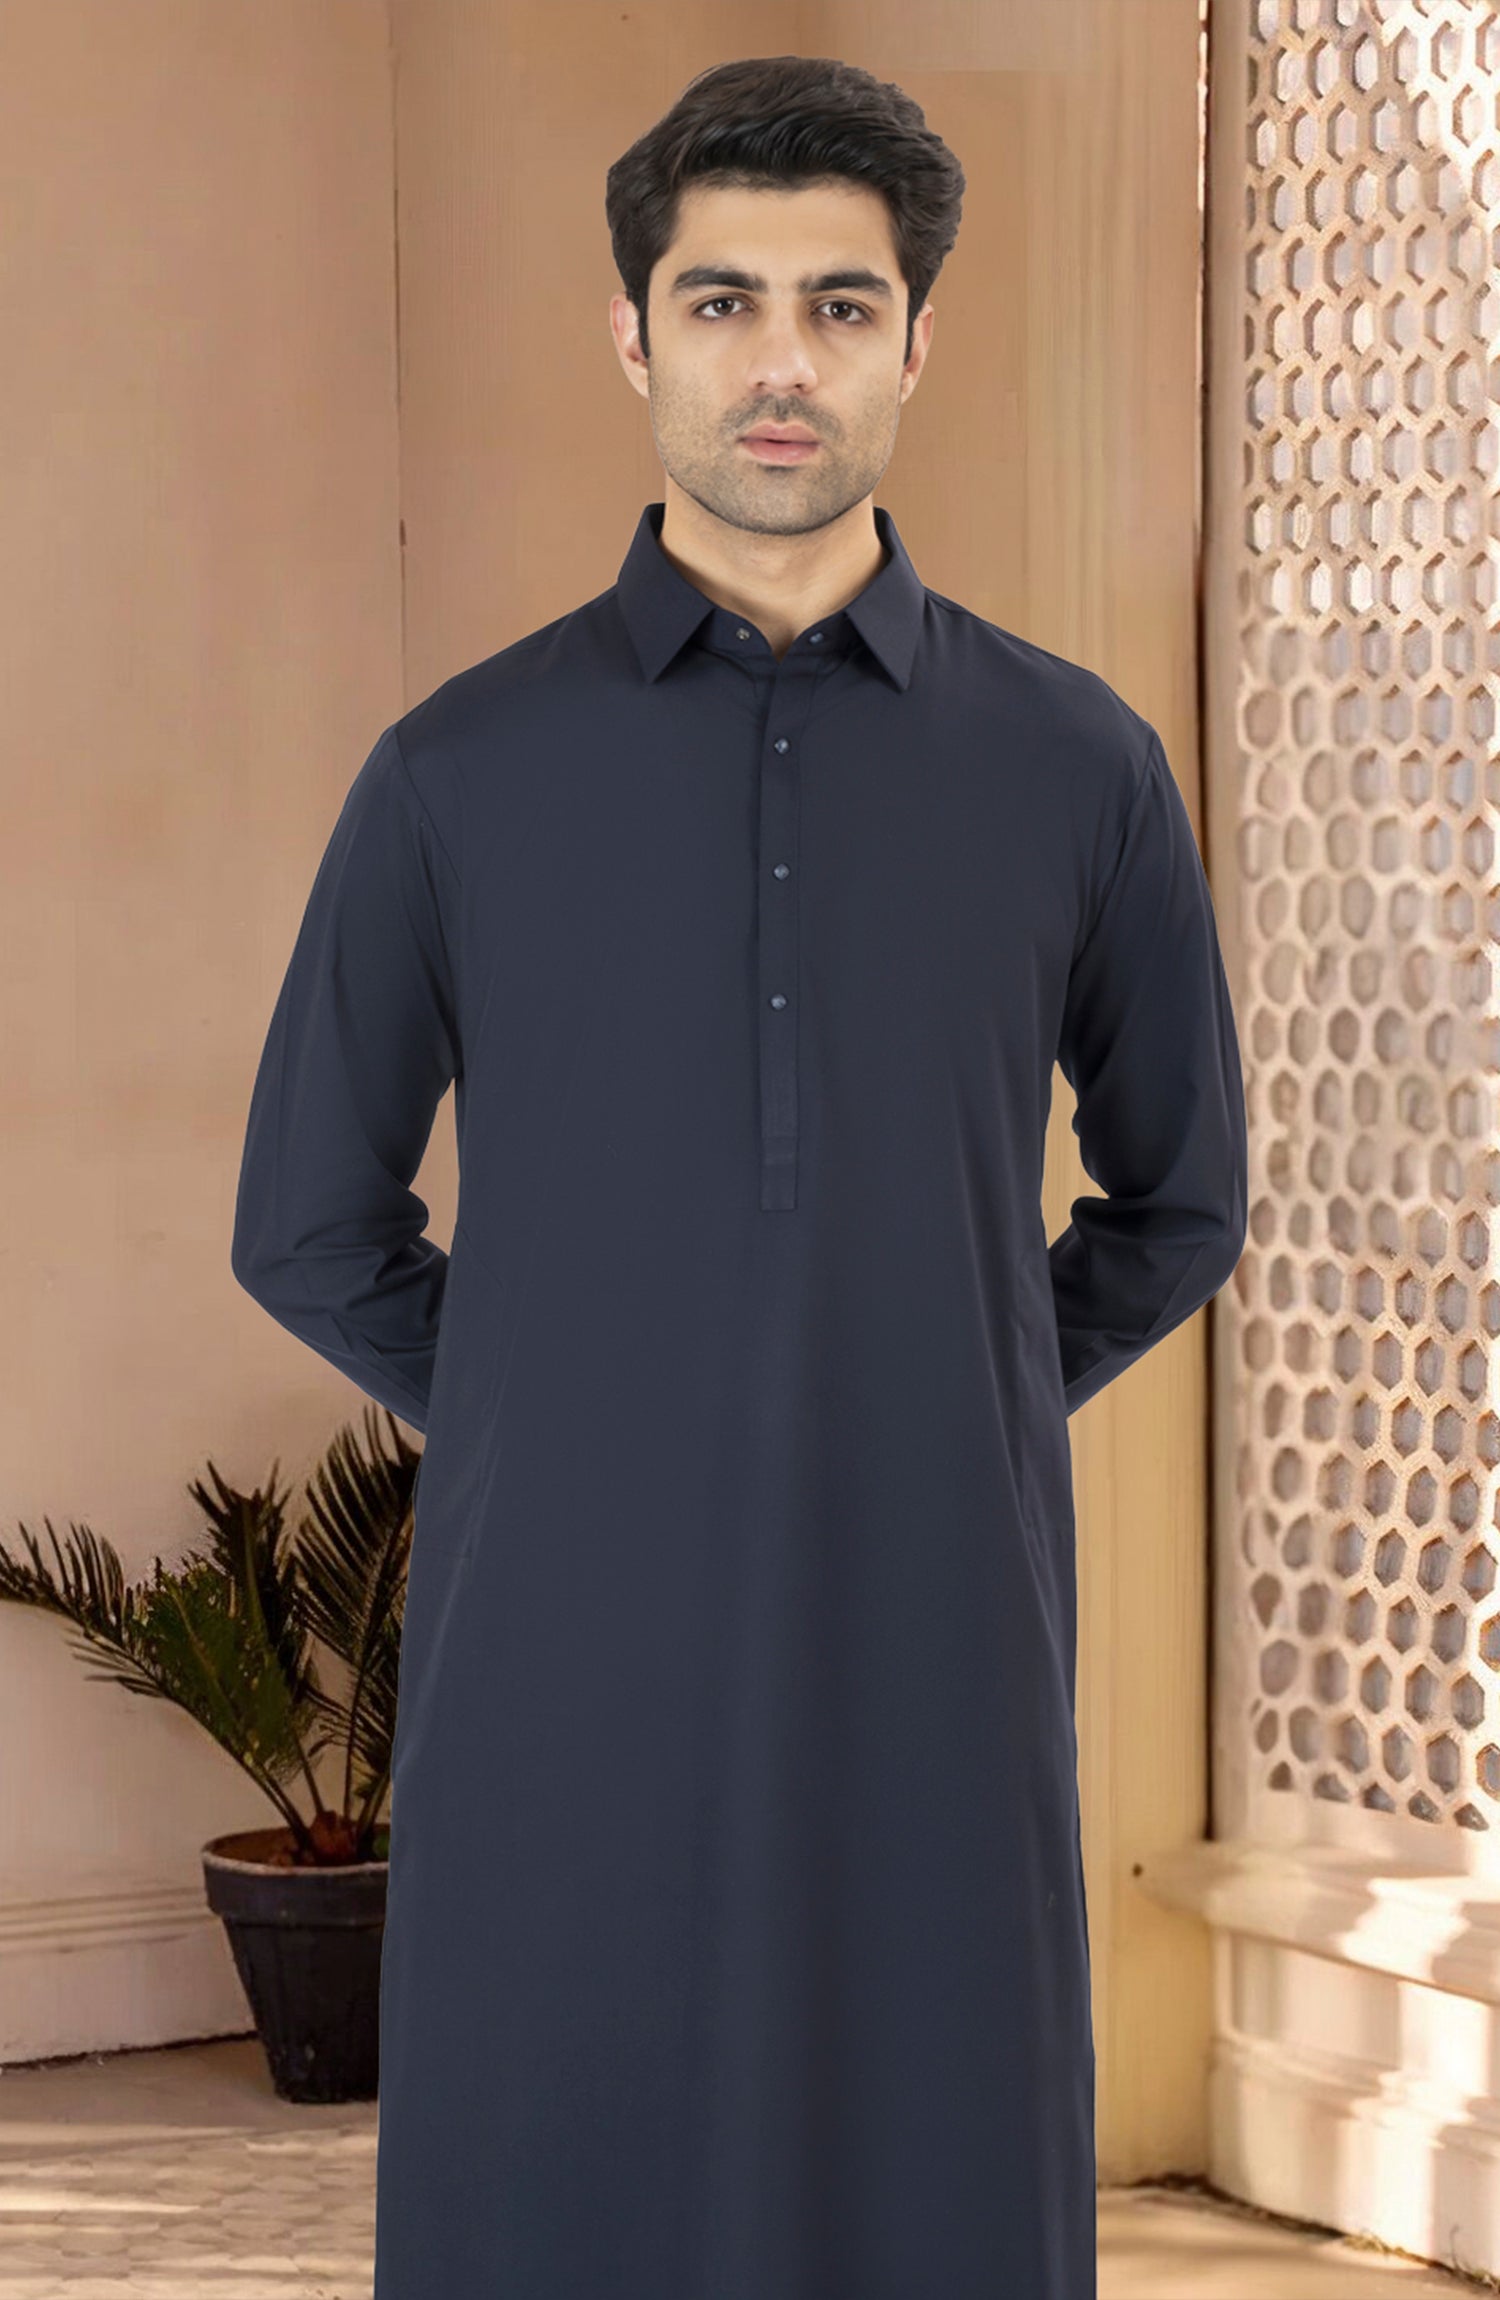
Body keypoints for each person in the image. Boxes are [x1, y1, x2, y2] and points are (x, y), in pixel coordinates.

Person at [231, 52, 1247, 2300]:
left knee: (938, 2132)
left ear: (916, 342)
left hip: (940, 1605)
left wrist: (959, 1382)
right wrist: (559, 1406)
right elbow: (305, 1217)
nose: (781, 362)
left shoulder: (1079, 765)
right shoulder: (458, 772)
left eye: (839, 305)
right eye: (722, 302)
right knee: (553, 2126)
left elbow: (1182, 1198)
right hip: (558, 1620)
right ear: (633, 335)